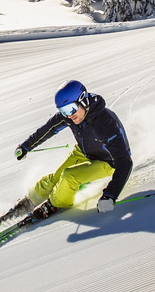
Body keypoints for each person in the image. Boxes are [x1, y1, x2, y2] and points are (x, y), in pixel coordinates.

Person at [9, 80, 133, 219]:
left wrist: (110, 195)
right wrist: (26, 146)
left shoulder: (105, 122)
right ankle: (30, 200)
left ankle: (55, 203)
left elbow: (124, 161)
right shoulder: (71, 116)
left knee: (69, 177)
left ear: (83, 101)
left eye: (71, 109)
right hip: (83, 151)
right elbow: (48, 129)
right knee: (56, 177)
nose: (69, 115)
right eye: (63, 111)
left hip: (108, 161)